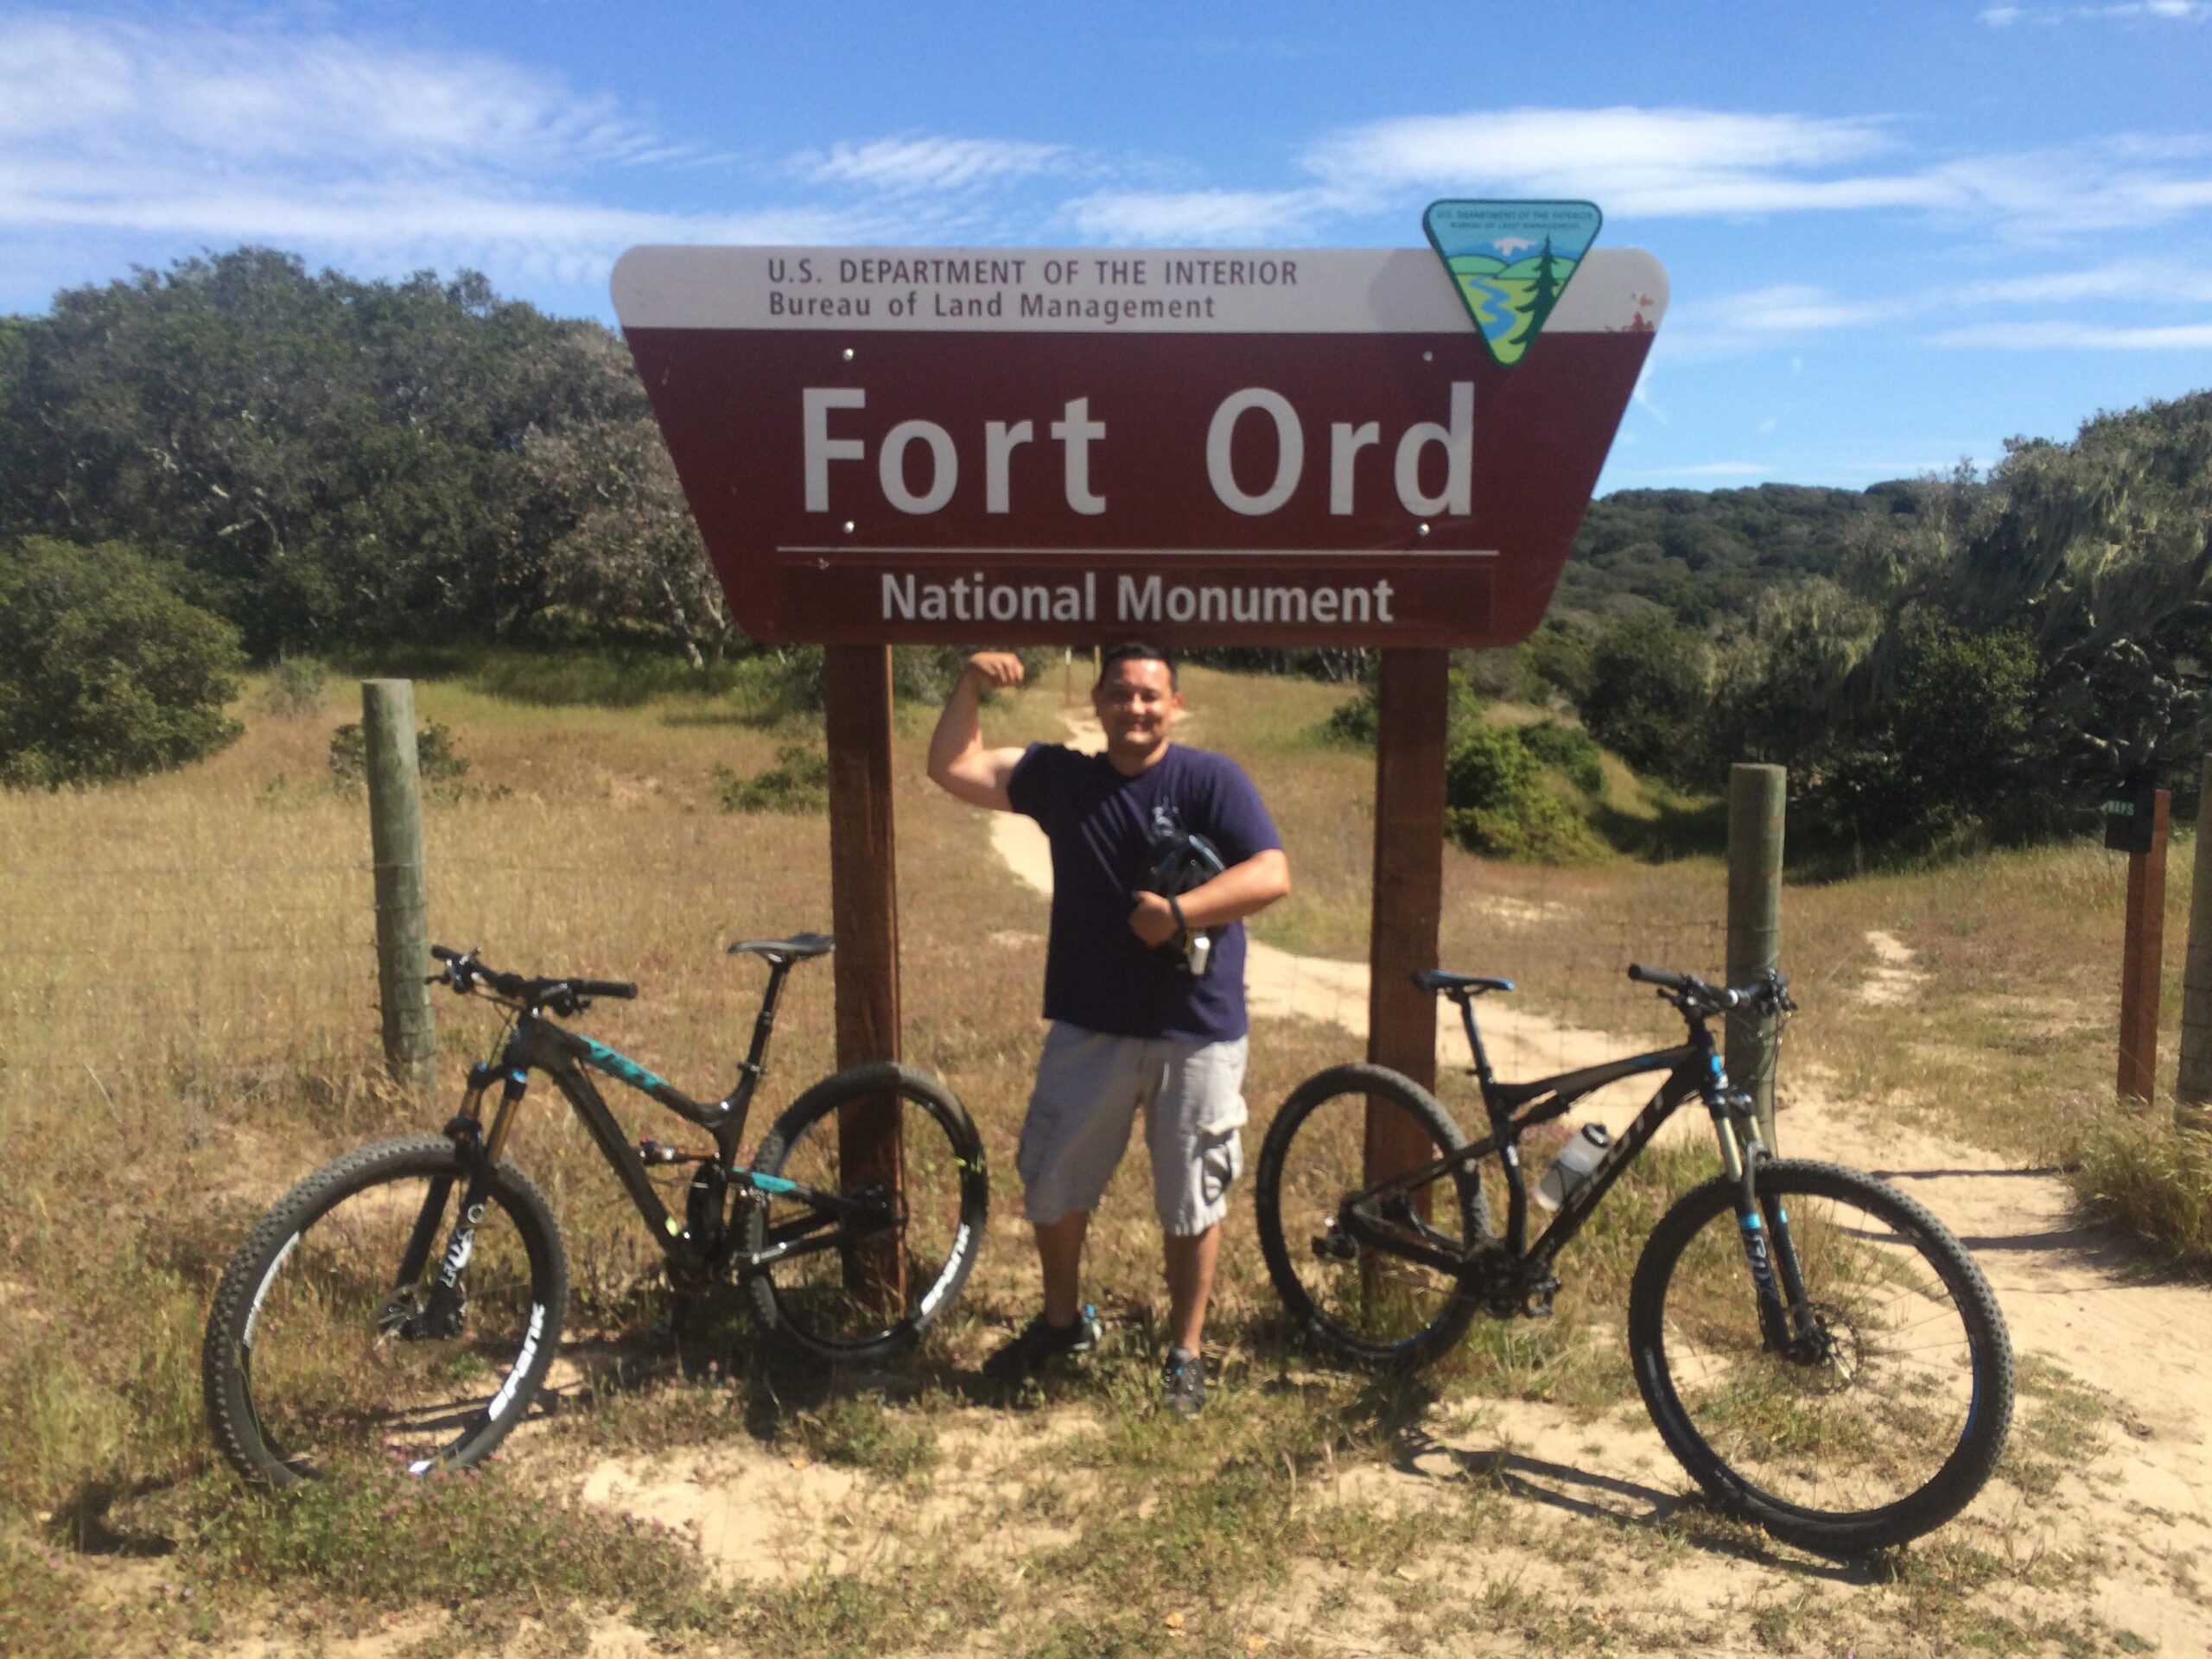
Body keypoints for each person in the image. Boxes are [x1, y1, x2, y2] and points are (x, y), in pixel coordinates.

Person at [926, 642, 1290, 1416]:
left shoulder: (1210, 780)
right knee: (1052, 1182)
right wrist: (968, 684)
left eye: (1151, 697)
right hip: (1090, 1027)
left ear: (1176, 705)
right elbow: (951, 767)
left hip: (1198, 1030)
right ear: (1097, 702)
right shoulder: (1064, 779)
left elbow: (1271, 872)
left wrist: (1183, 914)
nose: (1136, 709)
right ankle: (1060, 1326)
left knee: (1192, 1197)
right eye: (1121, 695)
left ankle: (1185, 1355)